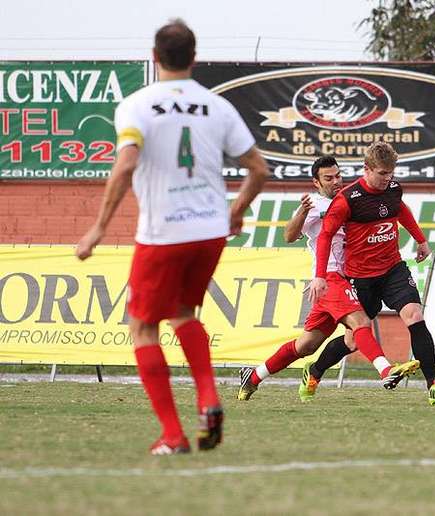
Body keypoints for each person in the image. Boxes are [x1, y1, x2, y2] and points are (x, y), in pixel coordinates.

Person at [76, 19, 269, 455]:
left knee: (142, 326)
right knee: (184, 312)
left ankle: (174, 435)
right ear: (194, 58)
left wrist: (99, 227)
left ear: (155, 57)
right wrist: (234, 213)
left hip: (164, 232)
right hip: (209, 230)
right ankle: (209, 399)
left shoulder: (137, 105)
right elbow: (259, 169)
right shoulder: (217, 107)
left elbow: (125, 166)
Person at [236, 155, 420, 402]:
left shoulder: (350, 198)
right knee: (360, 323)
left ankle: (254, 375)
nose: (336, 181)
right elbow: (289, 236)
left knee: (307, 345)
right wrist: (301, 213)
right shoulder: (314, 204)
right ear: (316, 182)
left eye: (338, 175)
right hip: (330, 277)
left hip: (347, 277)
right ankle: (386, 371)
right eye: (328, 178)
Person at [307, 142, 435, 406]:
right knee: (352, 341)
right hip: (360, 277)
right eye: (382, 173)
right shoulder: (347, 199)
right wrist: (320, 275)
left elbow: (401, 211)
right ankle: (315, 371)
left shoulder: (393, 189)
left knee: (415, 315)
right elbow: (326, 236)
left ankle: (434, 385)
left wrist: (420, 240)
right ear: (367, 169)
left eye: (391, 173)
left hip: (392, 269)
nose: (388, 179)